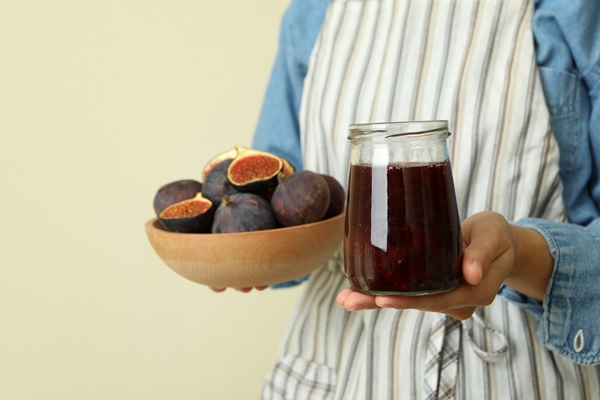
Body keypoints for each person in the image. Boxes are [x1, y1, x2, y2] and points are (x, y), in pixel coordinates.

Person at [219, 0, 600, 398]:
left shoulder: (574, 9)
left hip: (518, 377)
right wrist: (243, 252)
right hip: (340, 374)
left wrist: (520, 254)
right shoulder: (312, 10)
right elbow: (281, 205)